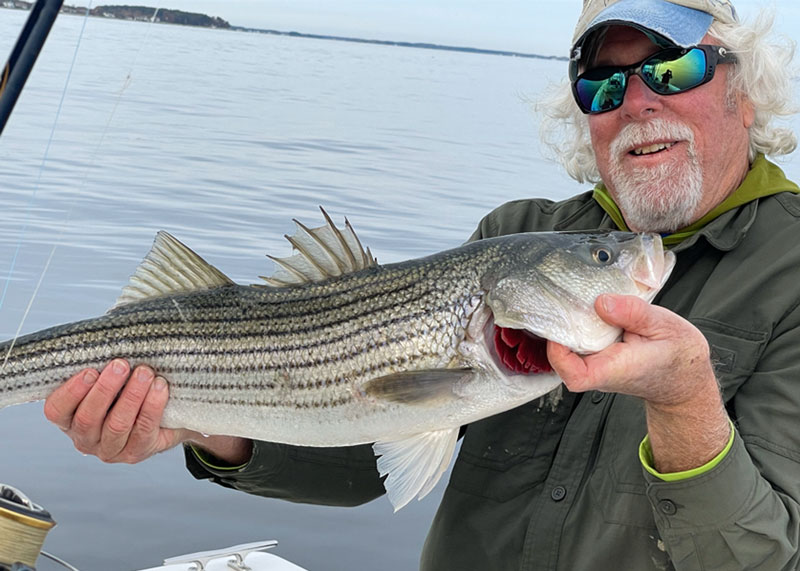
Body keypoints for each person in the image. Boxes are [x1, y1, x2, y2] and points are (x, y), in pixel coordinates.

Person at [43, 0, 800, 568]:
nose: (637, 101)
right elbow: (365, 444)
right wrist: (204, 419)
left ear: (747, 89)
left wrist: (687, 404)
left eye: (673, 70)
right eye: (601, 86)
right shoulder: (518, 231)